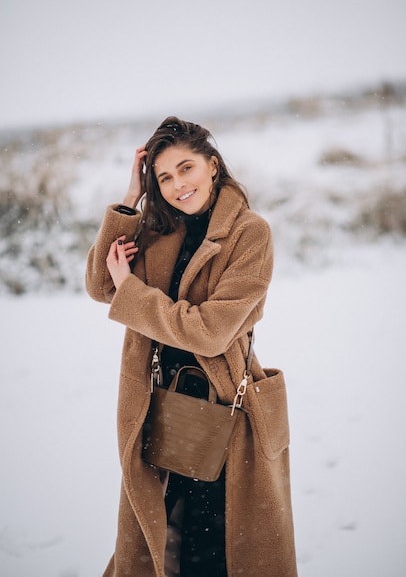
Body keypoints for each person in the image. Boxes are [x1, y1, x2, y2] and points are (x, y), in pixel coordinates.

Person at [86, 116, 297, 577]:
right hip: (160, 409)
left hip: (225, 411)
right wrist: (129, 201)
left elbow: (209, 331)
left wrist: (134, 293)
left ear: (213, 166)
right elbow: (103, 284)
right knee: (160, 546)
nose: (178, 184)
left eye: (186, 168)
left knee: (218, 552)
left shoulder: (250, 234)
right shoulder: (161, 230)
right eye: (163, 177)